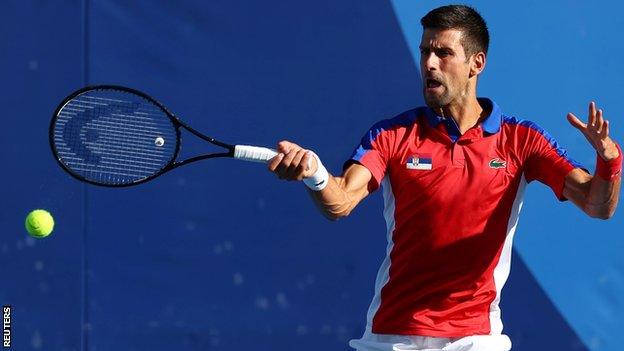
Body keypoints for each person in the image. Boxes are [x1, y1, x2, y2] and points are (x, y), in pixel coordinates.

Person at [267, 5, 621, 351]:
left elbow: (596, 204)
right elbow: (341, 201)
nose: (429, 64)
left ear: (476, 63)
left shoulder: (521, 140)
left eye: (443, 53)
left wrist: (609, 160)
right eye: (425, 52)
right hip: (394, 334)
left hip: (475, 337)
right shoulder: (392, 134)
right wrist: (313, 172)